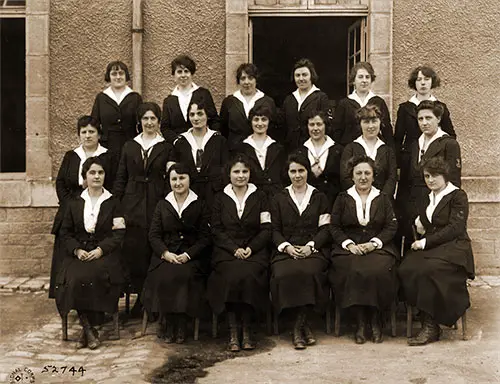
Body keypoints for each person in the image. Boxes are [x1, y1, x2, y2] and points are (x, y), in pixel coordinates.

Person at [399, 157, 474, 346]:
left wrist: (425, 242)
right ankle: (424, 313)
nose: (430, 180)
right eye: (427, 176)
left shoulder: (457, 196)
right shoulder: (427, 196)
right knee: (408, 266)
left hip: (455, 247)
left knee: (429, 269)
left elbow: (455, 228)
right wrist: (419, 223)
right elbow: (426, 221)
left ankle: (431, 325)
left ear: (445, 176)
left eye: (435, 176)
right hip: (434, 247)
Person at [55, 157, 126, 350]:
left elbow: (119, 233)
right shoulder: (75, 202)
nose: (96, 176)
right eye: (92, 173)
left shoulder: (113, 202)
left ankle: (87, 330)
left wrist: (100, 250)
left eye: (100, 173)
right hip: (80, 253)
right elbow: (65, 232)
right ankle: (89, 330)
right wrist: (77, 250)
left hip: (104, 254)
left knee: (95, 275)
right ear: (85, 176)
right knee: (74, 278)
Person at [113, 102, 175, 315]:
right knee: (135, 249)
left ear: (159, 121)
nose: (149, 123)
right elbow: (121, 176)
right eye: (145, 119)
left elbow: (170, 179)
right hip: (133, 203)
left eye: (153, 119)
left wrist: (167, 204)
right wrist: (118, 208)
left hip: (156, 200)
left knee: (154, 248)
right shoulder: (130, 145)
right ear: (140, 122)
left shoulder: (166, 147)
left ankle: (152, 299)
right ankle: (140, 295)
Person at [329, 155, 398, 344]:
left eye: (367, 173)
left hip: (378, 247)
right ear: (352, 176)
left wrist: (374, 243)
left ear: (374, 176)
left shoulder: (383, 198)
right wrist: (349, 244)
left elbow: (391, 226)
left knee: (378, 270)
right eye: (358, 173)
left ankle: (375, 320)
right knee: (354, 269)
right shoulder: (343, 198)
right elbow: (334, 226)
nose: (363, 177)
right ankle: (359, 322)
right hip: (349, 248)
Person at [141, 163, 211, 344]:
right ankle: (168, 321)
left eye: (182, 178)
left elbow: (205, 237)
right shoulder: (163, 204)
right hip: (166, 256)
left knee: (185, 275)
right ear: (169, 181)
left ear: (189, 179)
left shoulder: (200, 204)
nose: (178, 183)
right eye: (174, 179)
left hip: (192, 257)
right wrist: (165, 253)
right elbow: (154, 235)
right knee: (163, 275)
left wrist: (188, 254)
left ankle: (181, 323)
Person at [208, 155, 272, 352]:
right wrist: (234, 249)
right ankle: (233, 330)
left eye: (244, 172)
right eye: (236, 172)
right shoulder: (220, 197)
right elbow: (216, 229)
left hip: (254, 251)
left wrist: (251, 248)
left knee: (249, 275)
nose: (241, 176)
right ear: (229, 174)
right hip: (227, 251)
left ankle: (247, 329)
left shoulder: (260, 196)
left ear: (250, 173)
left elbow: (266, 228)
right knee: (230, 275)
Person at [270, 153, 331, 350]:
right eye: (293, 171)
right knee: (284, 273)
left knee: (310, 272)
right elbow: (273, 229)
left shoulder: (319, 197)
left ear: (308, 172)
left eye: (301, 170)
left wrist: (310, 246)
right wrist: (286, 246)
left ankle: (299, 327)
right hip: (286, 250)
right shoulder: (279, 198)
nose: (297, 175)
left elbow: (325, 229)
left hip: (312, 250)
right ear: (287, 173)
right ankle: (302, 327)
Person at [49, 116, 109, 299]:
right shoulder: (71, 156)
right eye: (84, 132)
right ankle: (67, 296)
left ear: (99, 134)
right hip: (72, 208)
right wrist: (72, 206)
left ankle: (96, 303)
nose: (88, 136)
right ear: (78, 135)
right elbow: (60, 184)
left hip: (99, 206)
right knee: (66, 247)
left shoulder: (107, 156)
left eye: (92, 132)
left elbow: (112, 183)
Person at [405, 100, 461, 232]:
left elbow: (453, 181)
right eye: (420, 119)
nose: (424, 123)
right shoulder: (415, 145)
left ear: (439, 119)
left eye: (428, 118)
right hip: (416, 206)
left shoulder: (448, 144)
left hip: (438, 208)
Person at [394, 65, 456, 182]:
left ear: (432, 82)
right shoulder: (405, 108)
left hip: (435, 159)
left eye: (426, 79)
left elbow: (450, 135)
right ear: (414, 83)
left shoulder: (441, 107)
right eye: (419, 80)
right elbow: (398, 139)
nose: (423, 83)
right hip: (410, 161)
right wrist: (398, 165)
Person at [91, 61, 142, 186]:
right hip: (108, 146)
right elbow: (94, 123)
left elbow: (141, 124)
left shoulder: (135, 97)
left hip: (129, 143)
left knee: (129, 179)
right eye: (114, 74)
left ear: (126, 76)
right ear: (109, 77)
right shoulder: (101, 98)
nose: (118, 77)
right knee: (109, 180)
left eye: (121, 73)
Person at [173, 101, 228, 207]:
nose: (196, 118)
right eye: (192, 114)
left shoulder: (219, 140)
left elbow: (225, 169)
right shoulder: (181, 142)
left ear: (207, 115)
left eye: (200, 113)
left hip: (214, 194)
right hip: (189, 194)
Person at [332, 62, 393, 147]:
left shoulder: (379, 102)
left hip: (374, 150)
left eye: (367, 77)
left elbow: (387, 132)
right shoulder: (344, 104)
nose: (364, 80)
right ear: (353, 80)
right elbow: (337, 133)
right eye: (360, 77)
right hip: (350, 152)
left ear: (371, 80)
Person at [340, 105, 397, 197]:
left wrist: (380, 199)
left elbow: (392, 178)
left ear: (380, 122)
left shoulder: (387, 150)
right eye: (366, 122)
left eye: (374, 121)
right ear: (360, 124)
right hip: (356, 201)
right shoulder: (350, 148)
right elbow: (345, 177)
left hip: (383, 202)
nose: (371, 126)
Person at [160, 55, 219, 143]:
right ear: (174, 75)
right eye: (179, 72)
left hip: (202, 144)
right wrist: (176, 141)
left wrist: (211, 139)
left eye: (186, 71)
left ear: (191, 73)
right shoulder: (169, 101)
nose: (183, 75)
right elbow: (165, 128)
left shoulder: (203, 94)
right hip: (178, 148)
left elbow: (214, 120)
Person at [220, 63, 278, 151]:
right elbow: (223, 129)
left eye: (250, 78)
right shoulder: (229, 102)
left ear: (256, 80)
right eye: (243, 78)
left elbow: (273, 129)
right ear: (238, 81)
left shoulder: (268, 102)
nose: (246, 82)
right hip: (235, 151)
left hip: (260, 150)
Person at [237, 104, 286, 198]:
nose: (260, 123)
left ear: (269, 122)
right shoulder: (242, 148)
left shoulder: (277, 148)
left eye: (264, 119)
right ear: (251, 122)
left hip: (275, 196)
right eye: (256, 119)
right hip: (251, 196)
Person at [281, 58, 330, 152]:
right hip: (291, 149)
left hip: (314, 150)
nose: (301, 79)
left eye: (304, 75)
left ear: (311, 76)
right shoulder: (289, 99)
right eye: (297, 75)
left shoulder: (321, 97)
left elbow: (327, 126)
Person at [300, 110, 343, 209]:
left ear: (325, 126)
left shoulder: (338, 150)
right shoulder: (301, 151)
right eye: (311, 124)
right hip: (307, 203)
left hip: (331, 202)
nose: (315, 128)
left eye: (319, 124)